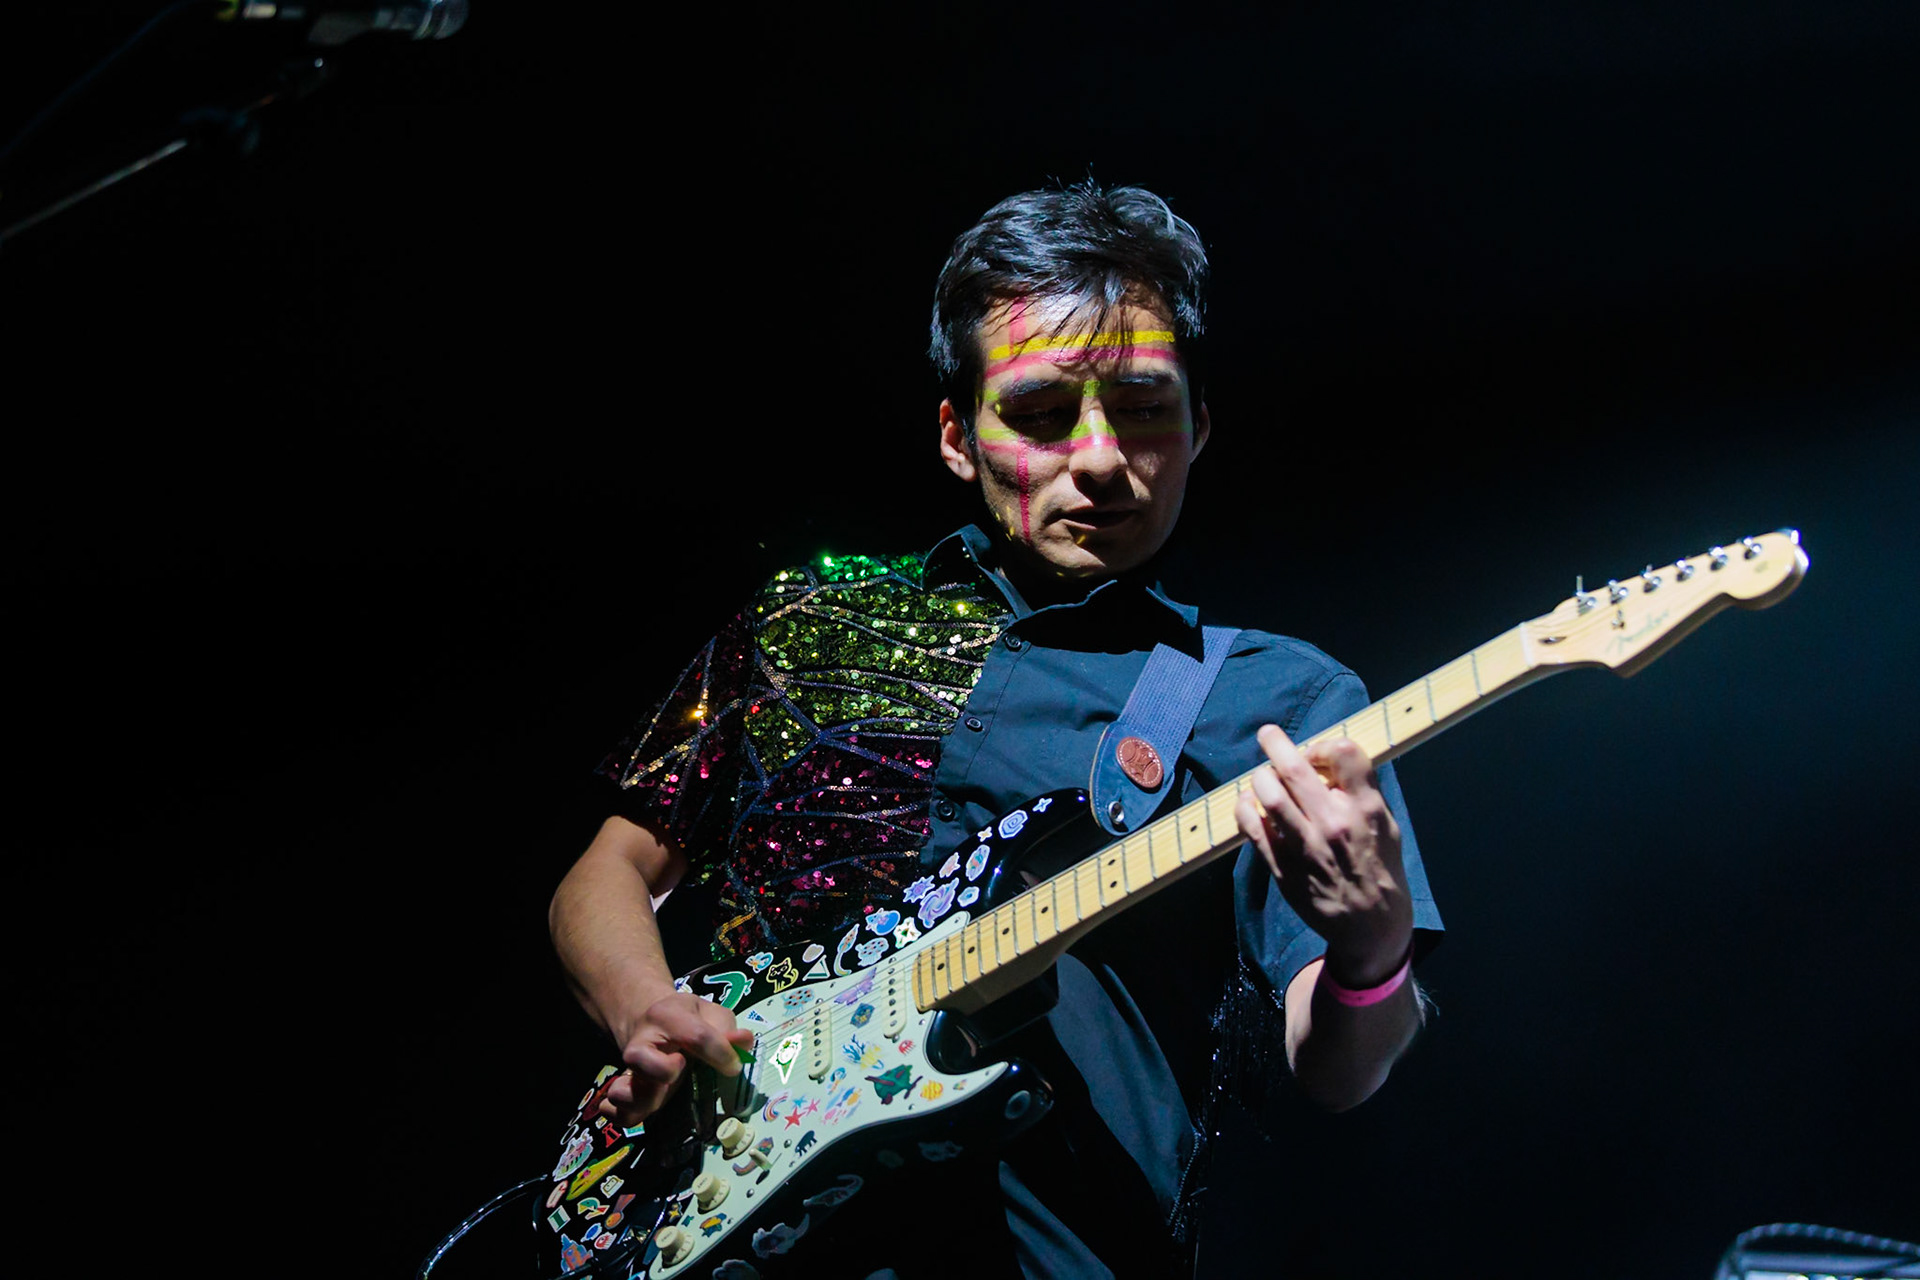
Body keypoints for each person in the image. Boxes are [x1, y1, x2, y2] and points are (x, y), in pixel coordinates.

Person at [548, 181, 1443, 1278]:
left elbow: (1344, 1064)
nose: (1102, 455)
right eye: (1040, 412)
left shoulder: (1275, 700)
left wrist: (1373, 945)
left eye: (1145, 404)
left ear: (1200, 423)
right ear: (958, 437)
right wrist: (645, 1006)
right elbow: (608, 867)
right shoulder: (809, 624)